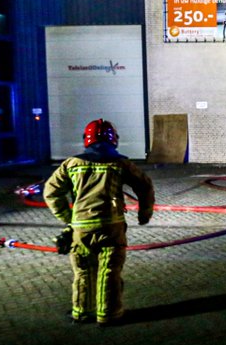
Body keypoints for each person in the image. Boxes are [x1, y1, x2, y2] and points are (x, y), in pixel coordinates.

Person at [43, 119, 155, 327]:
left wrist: (68, 219)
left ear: (86, 139)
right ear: (114, 140)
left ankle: (82, 312)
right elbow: (145, 186)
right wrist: (144, 214)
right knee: (109, 271)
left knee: (84, 271)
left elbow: (51, 192)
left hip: (81, 229)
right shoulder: (121, 164)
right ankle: (108, 315)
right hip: (112, 228)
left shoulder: (71, 164)